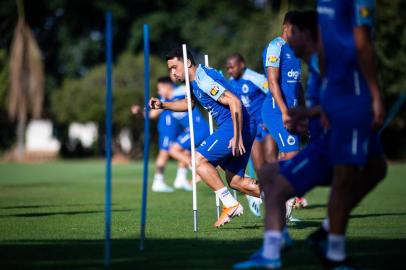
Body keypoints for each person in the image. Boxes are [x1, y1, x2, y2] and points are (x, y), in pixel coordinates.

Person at [233, 9, 386, 269]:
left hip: (344, 128)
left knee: (346, 177)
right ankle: (311, 241)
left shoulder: (327, 58)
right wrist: (307, 112)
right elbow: (318, 94)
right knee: (273, 173)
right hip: (333, 125)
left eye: (293, 36)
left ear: (304, 34)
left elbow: (344, 86)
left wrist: (372, 100)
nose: (288, 43)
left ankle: (298, 249)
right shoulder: (305, 57)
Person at [149, 46, 261, 227]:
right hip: (241, 125)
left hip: (235, 125)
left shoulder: (203, 80)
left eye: (174, 67)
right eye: (169, 69)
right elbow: (188, 104)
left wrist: (238, 135)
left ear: (186, 63)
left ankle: (230, 204)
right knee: (236, 181)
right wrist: (163, 104)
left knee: (198, 160)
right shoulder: (193, 82)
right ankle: (281, 199)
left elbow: (234, 101)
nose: (172, 73)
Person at [316, 0, 386, 268]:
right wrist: (376, 94)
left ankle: (327, 230)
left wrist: (325, 91)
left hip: (336, 90)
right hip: (353, 91)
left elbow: (322, 48)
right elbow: (363, 44)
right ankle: (335, 253)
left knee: (376, 167)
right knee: (345, 175)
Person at [262, 10, 308, 210]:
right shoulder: (275, 47)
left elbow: (298, 85)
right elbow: (272, 83)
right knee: (292, 156)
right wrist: (284, 111)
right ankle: (280, 199)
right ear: (286, 26)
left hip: (292, 111)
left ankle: (281, 199)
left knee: (291, 157)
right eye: (296, 28)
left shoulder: (296, 49)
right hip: (275, 110)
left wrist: (305, 113)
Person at [131, 77, 188, 192]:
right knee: (164, 153)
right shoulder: (163, 99)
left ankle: (181, 179)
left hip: (180, 129)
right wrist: (140, 112)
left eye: (160, 88)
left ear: (168, 86)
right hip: (167, 129)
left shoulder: (180, 92)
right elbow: (152, 115)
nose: (158, 91)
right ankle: (158, 181)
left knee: (186, 150)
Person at [226, 53, 272, 176]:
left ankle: (286, 193)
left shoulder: (256, 78)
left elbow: (273, 93)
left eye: (232, 67)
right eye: (228, 68)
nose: (230, 71)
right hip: (252, 129)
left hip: (266, 125)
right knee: (259, 168)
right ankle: (265, 194)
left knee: (271, 160)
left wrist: (270, 118)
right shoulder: (230, 83)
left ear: (241, 65)